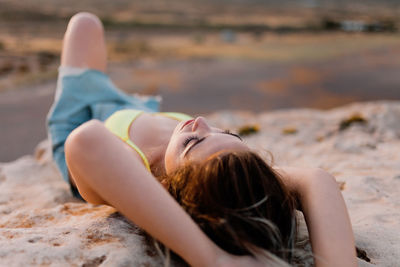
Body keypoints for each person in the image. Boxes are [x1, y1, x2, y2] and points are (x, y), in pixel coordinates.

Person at [47, 12, 357, 266]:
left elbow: (86, 139)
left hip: (81, 112)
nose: (202, 123)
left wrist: (212, 259)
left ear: (170, 186)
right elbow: (316, 180)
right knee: (87, 23)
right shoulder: (230, 171)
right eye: (227, 134)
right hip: (136, 109)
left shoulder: (140, 175)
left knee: (84, 24)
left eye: (193, 142)